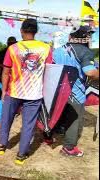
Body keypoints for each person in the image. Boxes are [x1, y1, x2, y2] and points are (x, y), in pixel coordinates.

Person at [0, 19, 52, 165]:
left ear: (21, 31)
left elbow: (5, 72)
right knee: (28, 124)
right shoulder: (46, 48)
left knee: (6, 119)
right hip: (34, 93)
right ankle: (21, 155)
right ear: (36, 31)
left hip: (13, 91)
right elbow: (49, 72)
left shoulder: (13, 48)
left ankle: (2, 146)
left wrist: (3, 91)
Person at [51, 25, 99, 157]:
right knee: (74, 119)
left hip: (57, 90)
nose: (90, 38)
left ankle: (51, 135)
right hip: (75, 93)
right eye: (88, 36)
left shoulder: (57, 50)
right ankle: (68, 147)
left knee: (58, 114)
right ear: (84, 37)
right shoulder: (85, 51)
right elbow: (90, 72)